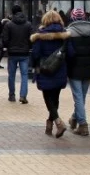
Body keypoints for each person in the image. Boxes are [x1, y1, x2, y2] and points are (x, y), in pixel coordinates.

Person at [30, 10, 70, 138]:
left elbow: (35, 54)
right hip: (60, 69)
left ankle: (58, 122)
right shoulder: (65, 36)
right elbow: (71, 53)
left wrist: (33, 66)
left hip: (45, 69)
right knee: (55, 97)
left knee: (48, 98)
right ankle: (49, 123)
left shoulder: (40, 36)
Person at [65, 8, 90, 136]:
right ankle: (74, 118)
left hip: (74, 69)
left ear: (73, 18)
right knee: (82, 96)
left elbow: (66, 53)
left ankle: (83, 124)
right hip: (88, 68)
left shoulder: (69, 32)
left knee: (78, 97)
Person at [2, 5, 33, 104]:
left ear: (12, 12)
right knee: (24, 75)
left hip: (12, 53)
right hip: (24, 53)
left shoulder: (9, 25)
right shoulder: (28, 24)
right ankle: (23, 95)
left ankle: (12, 95)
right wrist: (28, 46)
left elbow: (5, 39)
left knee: (11, 75)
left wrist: (8, 46)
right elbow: (32, 38)